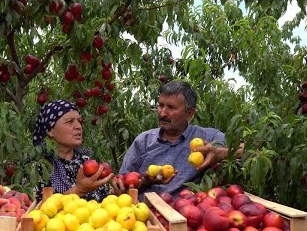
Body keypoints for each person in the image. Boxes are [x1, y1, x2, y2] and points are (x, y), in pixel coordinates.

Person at [113, 80, 243, 201]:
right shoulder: (143, 142)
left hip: (189, 217)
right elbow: (123, 190)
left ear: (189, 114)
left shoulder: (207, 138)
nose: (162, 113)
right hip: (146, 218)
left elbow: (247, 150)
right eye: (160, 105)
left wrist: (218, 153)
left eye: (171, 107)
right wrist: (147, 182)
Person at [32, 99, 113, 202]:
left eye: (79, 121)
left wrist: (119, 194)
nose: (79, 126)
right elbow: (36, 211)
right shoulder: (38, 167)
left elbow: (106, 204)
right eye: (70, 122)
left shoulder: (86, 162)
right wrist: (79, 190)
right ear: (50, 131)